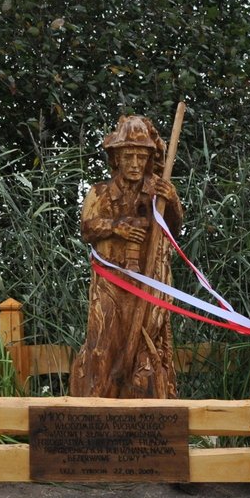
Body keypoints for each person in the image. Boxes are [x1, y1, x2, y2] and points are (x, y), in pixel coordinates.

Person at [70, 114, 185, 398]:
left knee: (147, 345)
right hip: (110, 284)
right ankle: (99, 400)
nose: (135, 164)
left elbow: (173, 231)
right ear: (116, 159)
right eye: (128, 157)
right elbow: (86, 228)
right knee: (104, 343)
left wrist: (173, 202)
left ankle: (146, 402)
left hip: (148, 283)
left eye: (141, 157)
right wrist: (115, 227)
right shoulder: (100, 192)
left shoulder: (158, 192)